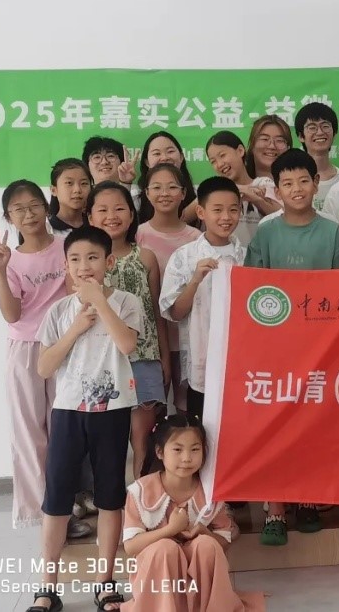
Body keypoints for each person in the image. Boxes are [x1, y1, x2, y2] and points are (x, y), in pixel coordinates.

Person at [245, 149, 339, 545]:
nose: (296, 189)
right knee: (275, 426)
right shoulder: (266, 233)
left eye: (303, 181)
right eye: (287, 183)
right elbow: (252, 291)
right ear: (276, 190)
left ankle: (308, 499)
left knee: (313, 426)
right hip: (276, 349)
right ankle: (275, 507)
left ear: (316, 184)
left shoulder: (332, 232)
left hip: (321, 348)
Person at [31, 225, 143, 612]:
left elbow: (127, 344)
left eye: (93, 257)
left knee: (110, 496)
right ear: (66, 266)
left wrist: (100, 302)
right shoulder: (59, 311)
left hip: (112, 411)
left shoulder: (127, 302)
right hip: (67, 411)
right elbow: (44, 367)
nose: (84, 266)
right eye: (75, 259)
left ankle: (105, 580)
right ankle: (47, 587)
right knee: (57, 498)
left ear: (109, 262)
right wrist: (76, 328)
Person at [121, 414, 265, 611]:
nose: (187, 458)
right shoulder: (141, 491)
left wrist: (204, 532)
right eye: (178, 450)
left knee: (207, 545)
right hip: (159, 570)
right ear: (160, 452)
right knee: (164, 548)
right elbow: (131, 546)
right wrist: (170, 530)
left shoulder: (210, 492)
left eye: (195, 449)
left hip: (198, 571)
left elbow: (224, 540)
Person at [0, 181, 67, 531]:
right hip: (25, 349)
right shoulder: (11, 260)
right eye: (19, 209)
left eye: (34, 205)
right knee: (27, 433)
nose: (29, 214)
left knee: (64, 431)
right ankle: (39, 513)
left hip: (66, 346)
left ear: (46, 207)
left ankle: (65, 507)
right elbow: (11, 314)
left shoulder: (68, 247)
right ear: (9, 217)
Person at [87, 181, 168, 479]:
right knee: (108, 438)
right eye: (103, 210)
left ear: (132, 215)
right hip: (103, 362)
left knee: (143, 438)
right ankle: (111, 497)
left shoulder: (145, 258)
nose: (112, 216)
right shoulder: (86, 263)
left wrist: (165, 359)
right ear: (90, 217)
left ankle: (141, 494)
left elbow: (156, 313)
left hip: (144, 358)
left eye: (120, 208)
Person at [160, 177, 247, 420]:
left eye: (233, 210)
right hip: (202, 363)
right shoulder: (184, 257)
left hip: (242, 362)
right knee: (201, 429)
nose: (226, 217)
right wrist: (195, 280)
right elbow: (175, 313)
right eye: (217, 210)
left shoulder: (247, 257)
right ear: (201, 212)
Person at [137, 163, 203, 413]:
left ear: (183, 193)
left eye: (172, 187)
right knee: (153, 407)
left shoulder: (197, 238)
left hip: (189, 335)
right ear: (147, 193)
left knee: (187, 405)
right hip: (152, 337)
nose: (164, 193)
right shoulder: (138, 235)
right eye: (156, 187)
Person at [205, 130, 280, 246]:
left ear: (240, 150)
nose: (219, 164)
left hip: (262, 254)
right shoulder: (216, 192)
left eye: (222, 155)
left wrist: (256, 198)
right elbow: (184, 216)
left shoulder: (263, 184)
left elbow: (284, 216)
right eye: (213, 161)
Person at [136, 131, 198, 225]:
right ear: (147, 162)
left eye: (170, 151)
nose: (164, 158)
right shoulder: (137, 197)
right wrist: (125, 182)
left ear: (181, 157)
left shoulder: (198, 195)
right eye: (157, 153)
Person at [294, 101, 339, 210]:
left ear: (334, 133)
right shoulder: (292, 182)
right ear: (301, 136)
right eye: (312, 127)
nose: (320, 132)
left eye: (325, 126)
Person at [82, 136, 142, 202]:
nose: (104, 162)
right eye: (97, 157)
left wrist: (126, 184)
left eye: (110, 156)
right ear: (87, 165)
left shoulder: (136, 194)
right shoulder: (82, 195)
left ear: (121, 162)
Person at [48, 158, 92, 235]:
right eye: (69, 183)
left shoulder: (96, 225)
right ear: (54, 190)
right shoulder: (47, 229)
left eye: (84, 183)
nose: (77, 190)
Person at [244, 114, 293, 180]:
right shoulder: (236, 184)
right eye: (265, 139)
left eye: (279, 140)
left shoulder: (299, 185)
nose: (272, 146)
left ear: (288, 148)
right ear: (252, 145)